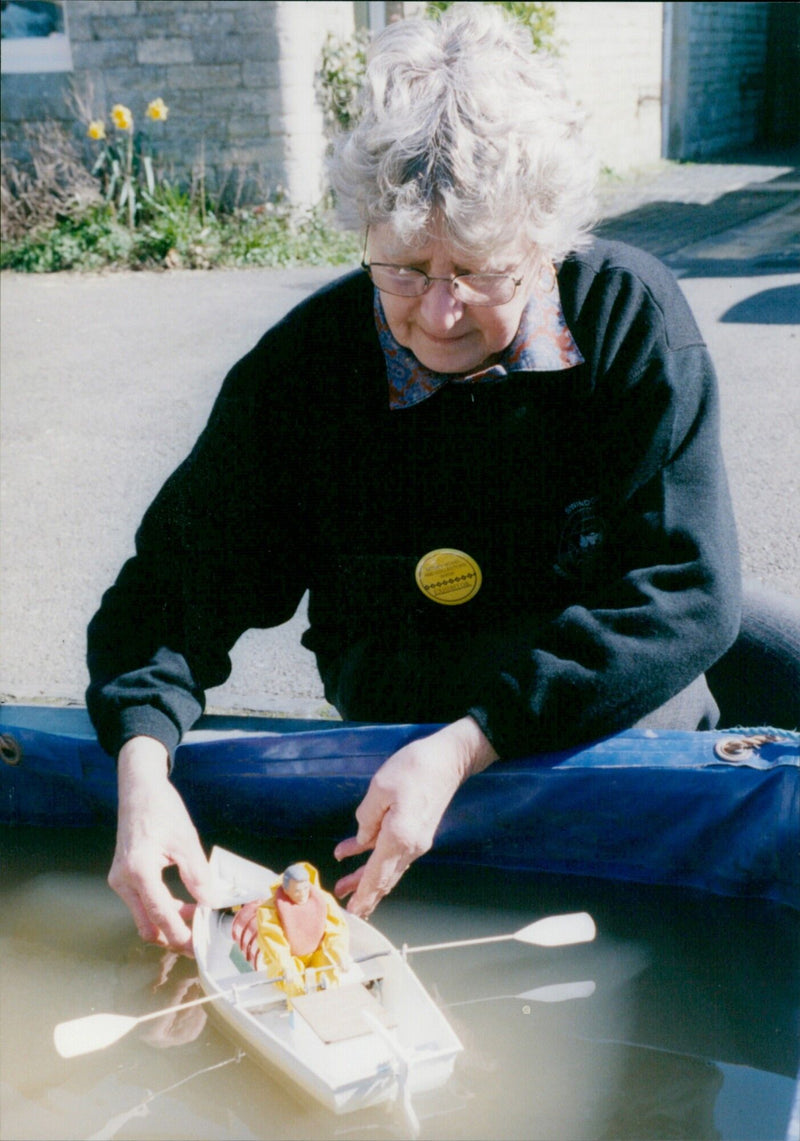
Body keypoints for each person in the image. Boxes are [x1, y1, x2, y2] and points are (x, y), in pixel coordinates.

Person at [87, 4, 743, 954]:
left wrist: (472, 742)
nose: (439, 314)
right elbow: (173, 591)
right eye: (403, 270)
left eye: (479, 270)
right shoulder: (304, 368)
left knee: (764, 642)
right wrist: (141, 774)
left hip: (575, 662)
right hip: (408, 666)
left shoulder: (629, 317)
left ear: (546, 242)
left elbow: (688, 585)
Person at [230, 863, 351, 997]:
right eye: (297, 891)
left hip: (316, 952)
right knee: (294, 985)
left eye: (306, 888)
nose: (303, 894)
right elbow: (274, 942)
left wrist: (339, 954)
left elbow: (336, 930)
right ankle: (298, 1010)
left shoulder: (323, 899)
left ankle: (331, 1003)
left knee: (330, 973)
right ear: (286, 890)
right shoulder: (269, 910)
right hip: (290, 959)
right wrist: (285, 965)